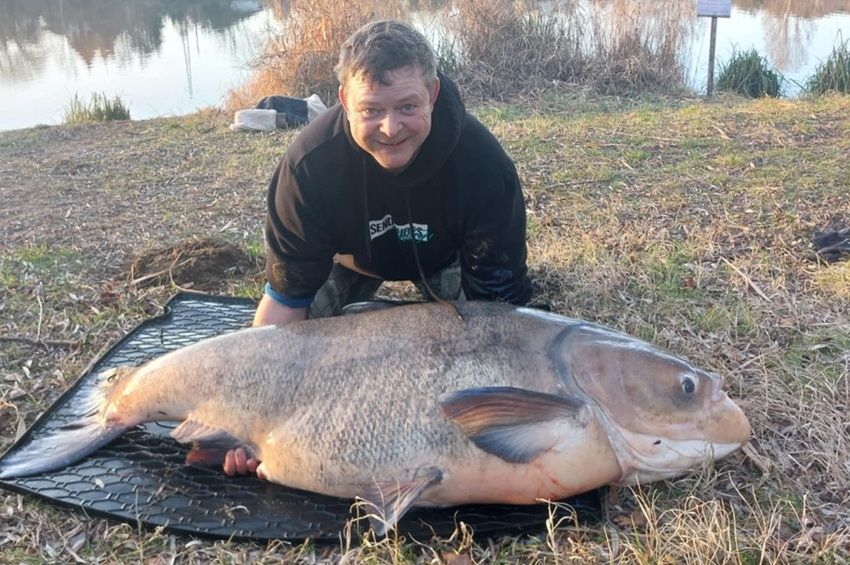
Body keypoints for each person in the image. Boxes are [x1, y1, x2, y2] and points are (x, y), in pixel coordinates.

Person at [224, 19, 532, 476]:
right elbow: (285, 304)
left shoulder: (484, 166)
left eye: (408, 106)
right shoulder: (309, 167)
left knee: (475, 351)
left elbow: (500, 313)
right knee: (296, 347)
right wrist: (246, 424)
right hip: (349, 260)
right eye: (371, 110)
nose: (390, 128)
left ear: (433, 94)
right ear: (345, 101)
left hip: (442, 258)